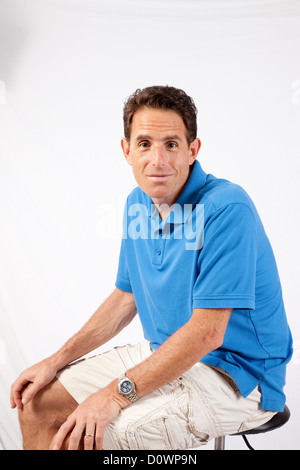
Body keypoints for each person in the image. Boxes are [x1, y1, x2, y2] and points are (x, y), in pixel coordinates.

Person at [10, 85, 293, 450]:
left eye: (171, 144)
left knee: (108, 431)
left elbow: (208, 333)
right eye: (144, 144)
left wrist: (113, 395)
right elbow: (127, 295)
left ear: (193, 150)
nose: (157, 159)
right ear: (127, 150)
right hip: (166, 352)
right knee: (38, 403)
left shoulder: (227, 209)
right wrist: (56, 360)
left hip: (238, 375)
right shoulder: (137, 203)